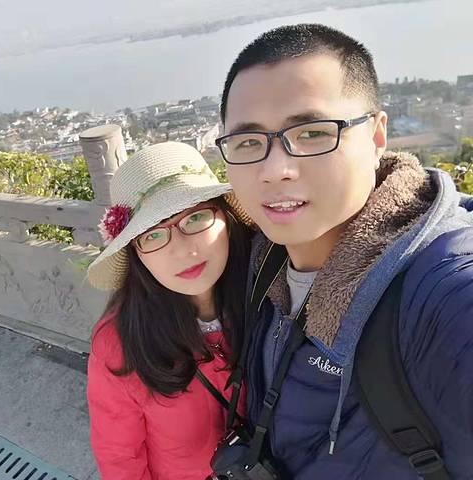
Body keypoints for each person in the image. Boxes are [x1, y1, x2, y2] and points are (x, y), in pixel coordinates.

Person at [216, 23, 473, 478]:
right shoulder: (262, 259)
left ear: (376, 137)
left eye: (313, 133)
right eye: (248, 142)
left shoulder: (443, 291)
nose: (275, 169)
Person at [85, 142, 254, 479]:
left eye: (195, 217)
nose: (182, 250)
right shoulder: (120, 343)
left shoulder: (271, 291)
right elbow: (121, 459)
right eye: (153, 235)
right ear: (136, 254)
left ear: (226, 216)